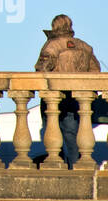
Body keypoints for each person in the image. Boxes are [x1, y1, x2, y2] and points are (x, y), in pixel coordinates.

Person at [34, 14, 102, 168]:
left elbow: (41, 70)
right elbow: (95, 72)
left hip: (55, 98)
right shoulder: (85, 47)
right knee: (72, 137)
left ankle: (59, 166)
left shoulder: (51, 46)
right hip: (77, 99)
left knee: (51, 135)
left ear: (54, 26)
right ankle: (75, 167)